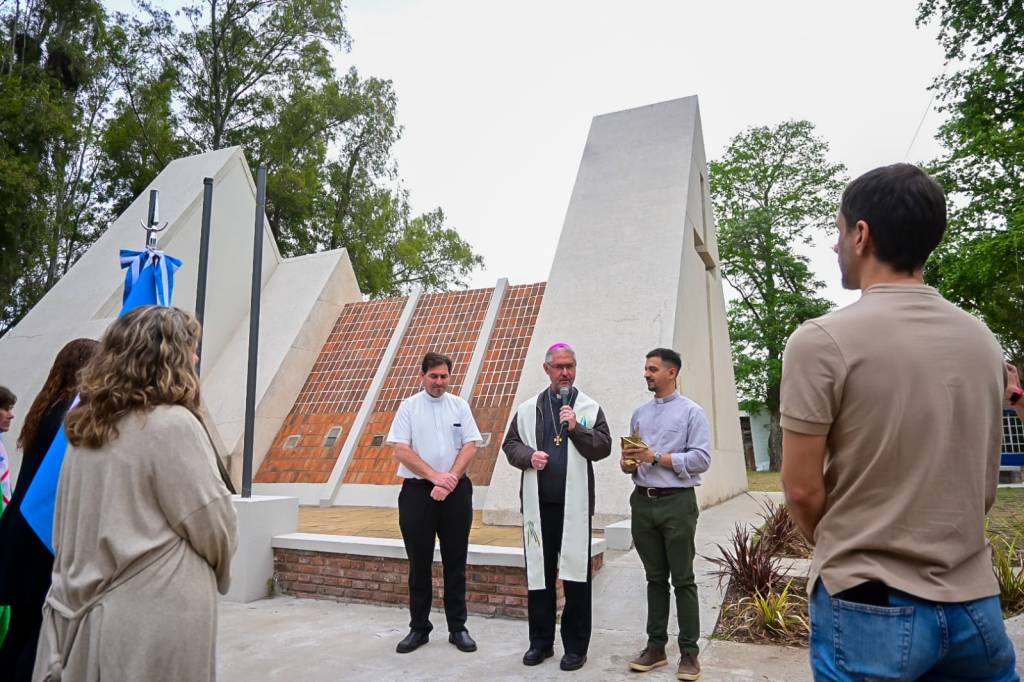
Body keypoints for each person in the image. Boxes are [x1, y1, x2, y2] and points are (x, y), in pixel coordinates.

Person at [780, 164, 1017, 680]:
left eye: (838, 230)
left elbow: (800, 489)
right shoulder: (983, 342)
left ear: (861, 234)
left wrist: (850, 545)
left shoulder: (820, 341)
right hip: (974, 601)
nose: (836, 245)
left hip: (869, 604)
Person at [32, 306, 238, 681]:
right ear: (169, 356)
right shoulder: (172, 425)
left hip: (82, 614)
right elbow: (215, 527)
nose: (195, 358)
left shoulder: (82, 429)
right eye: (190, 348)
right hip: (150, 623)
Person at [502, 342, 611, 671]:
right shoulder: (527, 409)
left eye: (571, 366)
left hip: (574, 508)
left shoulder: (589, 408)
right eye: (559, 366)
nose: (566, 372)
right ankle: (541, 643)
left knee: (577, 576)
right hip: (540, 507)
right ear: (546, 369)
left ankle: (576, 647)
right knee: (540, 575)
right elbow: (510, 445)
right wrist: (528, 457)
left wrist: (577, 428)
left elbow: (603, 447)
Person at [0, 339, 97, 681]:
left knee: (23, 630)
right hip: (39, 535)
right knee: (37, 635)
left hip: (22, 531)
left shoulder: (47, 407)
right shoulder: (66, 415)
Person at [621, 348, 710, 681]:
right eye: (645, 368)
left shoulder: (692, 413)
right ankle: (655, 647)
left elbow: (701, 460)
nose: (646, 374)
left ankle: (689, 653)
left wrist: (655, 456)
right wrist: (629, 461)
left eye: (653, 369)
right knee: (654, 578)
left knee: (683, 579)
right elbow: (632, 461)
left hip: (677, 503)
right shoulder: (639, 414)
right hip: (642, 502)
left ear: (671, 373)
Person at [387, 352, 482, 655]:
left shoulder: (460, 406)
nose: (439, 382)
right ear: (423, 376)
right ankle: (419, 628)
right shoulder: (408, 407)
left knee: (456, 562)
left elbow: (470, 445)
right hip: (417, 494)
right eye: (434, 376)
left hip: (456, 492)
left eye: (444, 376)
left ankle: (458, 628)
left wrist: (450, 478)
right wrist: (434, 478)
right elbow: (401, 450)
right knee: (419, 564)